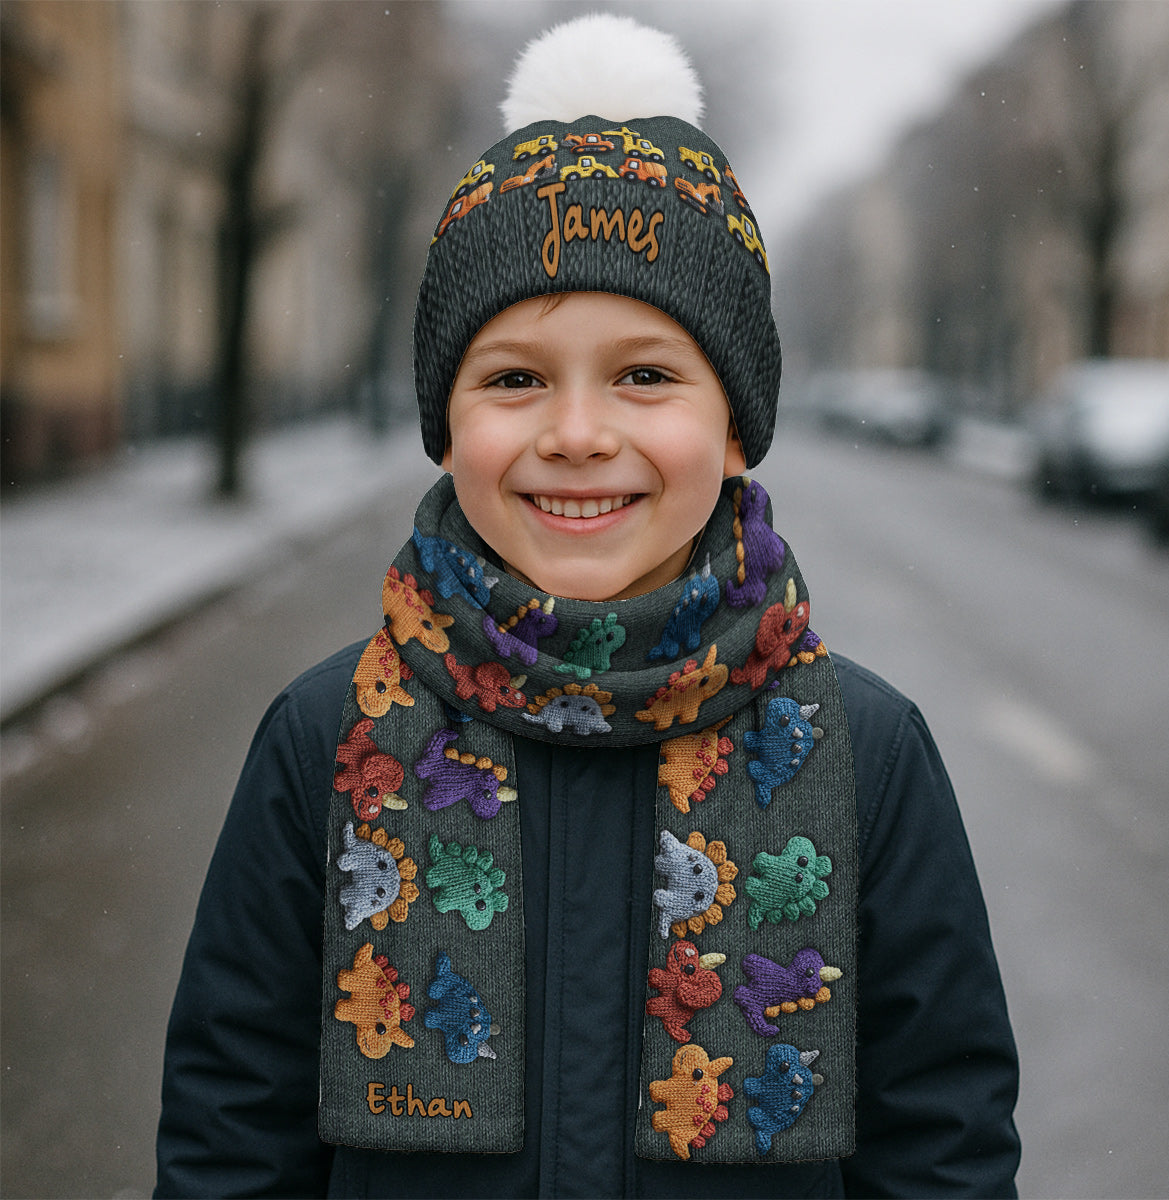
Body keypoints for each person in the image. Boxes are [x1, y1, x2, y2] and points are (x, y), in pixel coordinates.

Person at [155, 14, 1019, 1198]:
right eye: (514, 378)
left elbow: (945, 1152)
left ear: (734, 423)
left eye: (647, 375)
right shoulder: (328, 742)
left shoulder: (868, 755)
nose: (575, 433)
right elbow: (228, 1141)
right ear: (447, 420)